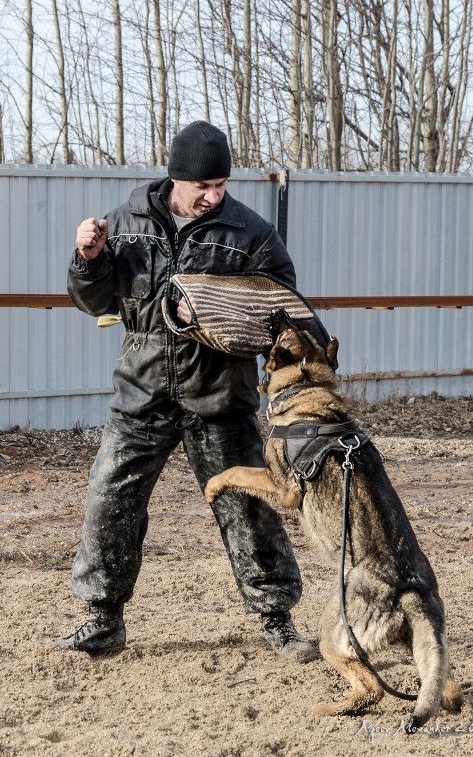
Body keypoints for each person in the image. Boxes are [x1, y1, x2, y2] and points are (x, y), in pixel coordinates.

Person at [52, 121, 323, 661]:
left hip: (219, 397)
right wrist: (89, 261)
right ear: (176, 178)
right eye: (203, 186)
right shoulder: (125, 223)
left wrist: (211, 306)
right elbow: (98, 302)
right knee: (110, 501)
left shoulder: (252, 234)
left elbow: (283, 306)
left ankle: (277, 620)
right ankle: (103, 620)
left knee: (248, 508)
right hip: (142, 393)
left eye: (221, 185)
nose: (213, 196)